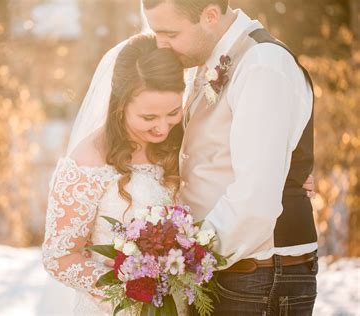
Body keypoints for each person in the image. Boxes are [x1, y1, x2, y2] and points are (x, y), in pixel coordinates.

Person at [142, 0, 318, 315]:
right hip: (225, 268)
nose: (160, 44)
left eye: (169, 32)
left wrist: (184, 258)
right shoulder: (212, 58)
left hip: (258, 275)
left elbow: (254, 198)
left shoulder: (262, 64)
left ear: (210, 15)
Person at [41, 33, 189, 315]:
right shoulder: (87, 161)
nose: (162, 127)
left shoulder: (180, 144)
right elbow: (59, 257)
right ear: (120, 106)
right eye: (149, 118)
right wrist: (127, 286)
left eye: (173, 112)